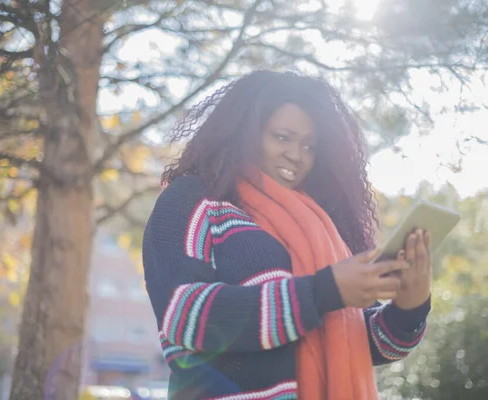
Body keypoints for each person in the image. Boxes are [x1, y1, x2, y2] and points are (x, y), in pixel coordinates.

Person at [142, 70, 432, 400]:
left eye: (309, 146)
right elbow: (184, 316)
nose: (297, 155)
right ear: (244, 133)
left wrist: (409, 309)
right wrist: (325, 290)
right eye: (282, 137)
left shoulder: (321, 228)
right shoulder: (193, 200)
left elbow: (360, 344)